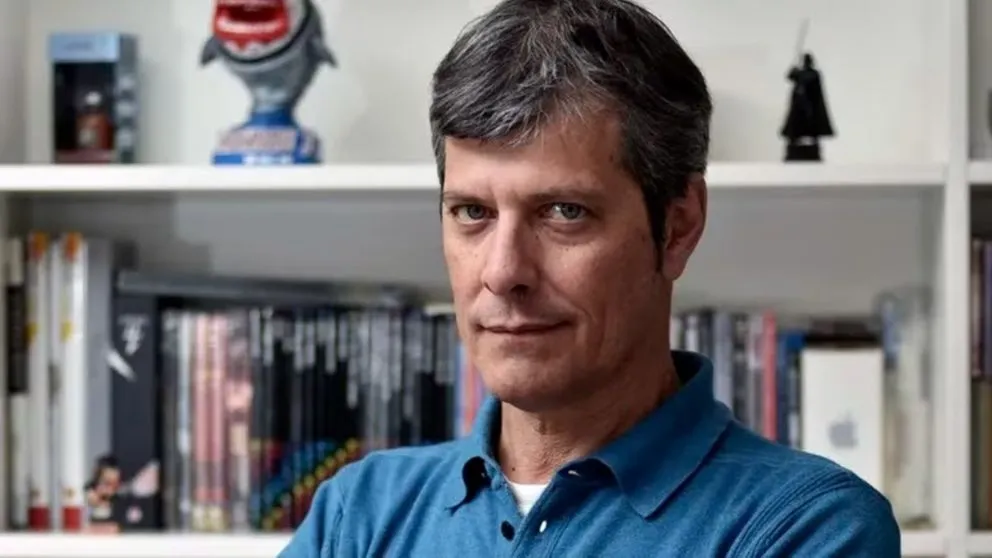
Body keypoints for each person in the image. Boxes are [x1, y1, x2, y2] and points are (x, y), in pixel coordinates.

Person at [279, 0, 901, 556]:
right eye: (472, 213)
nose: (503, 272)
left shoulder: (804, 527)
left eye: (564, 212)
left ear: (678, 227)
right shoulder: (358, 513)